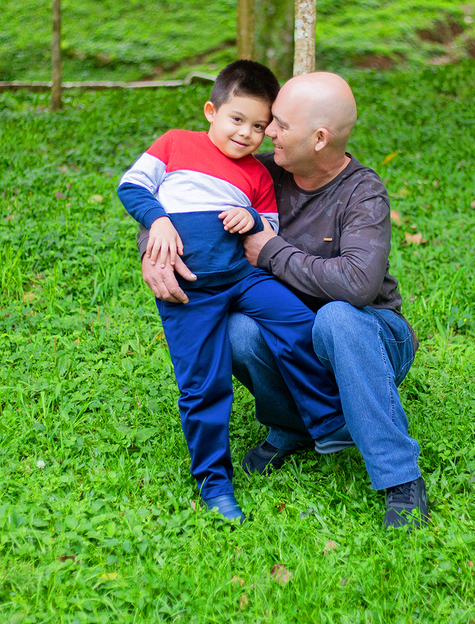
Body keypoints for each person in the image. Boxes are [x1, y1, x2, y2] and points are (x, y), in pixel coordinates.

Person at [141, 70, 429, 530]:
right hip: (291, 334)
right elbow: (180, 193)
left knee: (336, 317)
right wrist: (152, 246)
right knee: (237, 329)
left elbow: (357, 286)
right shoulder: (263, 169)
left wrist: (271, 251)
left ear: (318, 138)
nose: (266, 132)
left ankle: (401, 477)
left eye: (279, 125)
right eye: (268, 121)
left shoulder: (363, 193)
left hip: (370, 336)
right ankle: (292, 425)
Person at [117, 60, 350, 524]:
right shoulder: (175, 145)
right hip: (190, 290)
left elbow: (270, 226)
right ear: (211, 110)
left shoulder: (258, 176)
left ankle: (325, 418)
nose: (246, 134)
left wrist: (253, 221)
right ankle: (214, 481)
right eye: (237, 119)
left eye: (260, 126)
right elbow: (131, 185)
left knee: (299, 323)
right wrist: (157, 220)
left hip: (244, 278)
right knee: (204, 384)